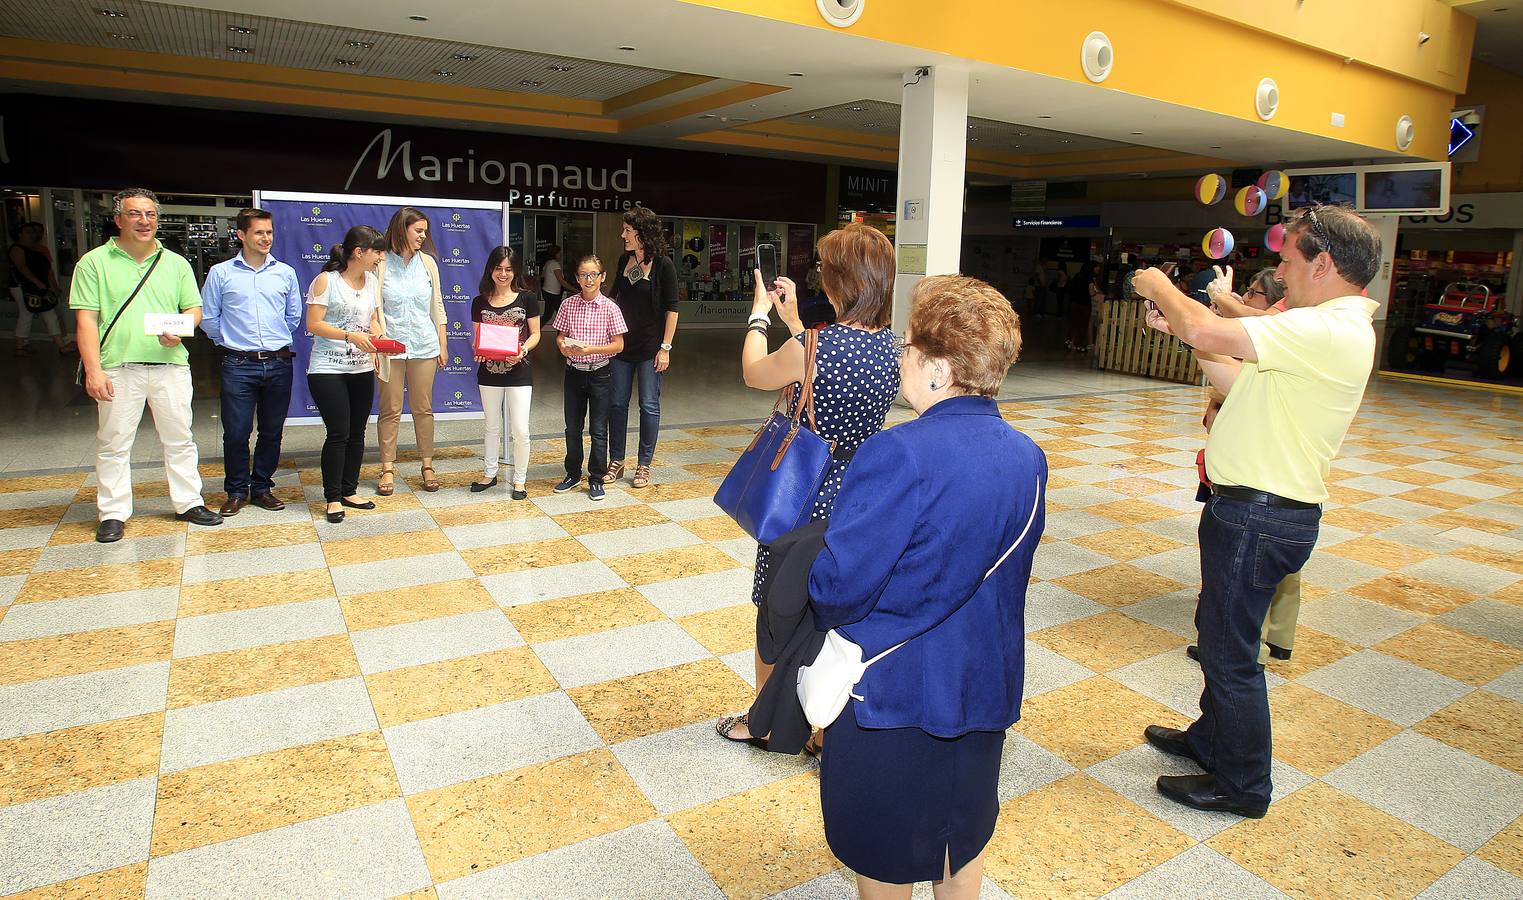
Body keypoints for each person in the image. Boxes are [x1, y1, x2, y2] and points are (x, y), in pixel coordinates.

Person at [1132, 204, 1384, 819]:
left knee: (1228, 652)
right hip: (1255, 509)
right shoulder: (1325, 328)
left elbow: (1212, 333)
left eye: (1287, 259)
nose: (1280, 270)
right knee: (1219, 631)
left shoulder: (1328, 329)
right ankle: (1211, 739)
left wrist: (1159, 282)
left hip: (1261, 515)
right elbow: (1237, 379)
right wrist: (1179, 331)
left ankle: (1243, 784)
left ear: (1323, 264)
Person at [809, 275, 1044, 900]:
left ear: (938, 369)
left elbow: (838, 586)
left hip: (892, 695)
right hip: (982, 682)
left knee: (885, 852)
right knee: (956, 836)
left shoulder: (897, 454)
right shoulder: (1027, 455)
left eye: (909, 348)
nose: (902, 360)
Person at [715, 223, 901, 749]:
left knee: (777, 606)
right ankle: (821, 728)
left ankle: (764, 721)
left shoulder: (816, 347)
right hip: (857, 496)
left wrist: (758, 313)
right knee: (830, 611)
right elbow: (818, 362)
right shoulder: (889, 347)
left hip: (803, 497)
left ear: (840, 280)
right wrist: (795, 321)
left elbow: (755, 372)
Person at [70, 188, 222, 543]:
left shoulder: (175, 262)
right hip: (117, 367)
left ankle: (188, 502)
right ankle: (112, 512)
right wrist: (93, 370)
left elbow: (193, 309)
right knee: (113, 442)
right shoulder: (93, 263)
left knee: (180, 438)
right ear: (119, 219)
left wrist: (182, 330)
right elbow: (86, 322)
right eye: (136, 214)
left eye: (151, 215)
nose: (144, 221)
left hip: (169, 365)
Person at [199, 208, 303, 516]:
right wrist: (230, 342)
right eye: (259, 232)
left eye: (269, 232)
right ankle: (235, 490)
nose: (266, 238)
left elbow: (293, 316)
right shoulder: (221, 273)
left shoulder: (284, 273)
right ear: (241, 235)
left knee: (271, 431)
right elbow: (209, 318)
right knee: (236, 432)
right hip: (238, 364)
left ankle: (261, 487)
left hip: (279, 362)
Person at [305, 225, 386, 524]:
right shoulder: (327, 281)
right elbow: (314, 324)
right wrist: (351, 336)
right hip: (328, 368)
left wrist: (378, 339)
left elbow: (374, 319)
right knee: (338, 433)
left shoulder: (373, 281)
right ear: (358, 252)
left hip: (361, 368)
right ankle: (333, 497)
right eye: (376, 251)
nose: (380, 257)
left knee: (357, 432)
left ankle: (350, 490)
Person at [375, 207, 446, 496]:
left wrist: (442, 343)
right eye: (418, 230)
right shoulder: (380, 263)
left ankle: (427, 465)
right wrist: (377, 341)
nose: (423, 235)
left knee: (423, 408)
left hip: (423, 345)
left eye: (425, 231)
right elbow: (373, 306)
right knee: (390, 409)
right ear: (402, 229)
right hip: (390, 348)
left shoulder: (428, 263)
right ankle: (387, 467)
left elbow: (438, 305)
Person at [606, 207, 679, 489]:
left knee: (649, 405)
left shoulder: (663, 265)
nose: (622, 234)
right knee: (617, 404)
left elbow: (672, 309)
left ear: (642, 233)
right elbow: (613, 297)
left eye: (627, 230)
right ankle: (617, 459)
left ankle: (644, 464)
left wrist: (666, 348)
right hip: (622, 346)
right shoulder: (625, 259)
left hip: (651, 348)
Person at [551, 255, 626, 501]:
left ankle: (596, 477)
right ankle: (572, 474)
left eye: (593, 274)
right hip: (573, 373)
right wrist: (563, 347)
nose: (588, 279)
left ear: (602, 277)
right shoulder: (568, 304)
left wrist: (591, 349)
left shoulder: (610, 307)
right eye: (583, 275)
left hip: (600, 374)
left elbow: (619, 345)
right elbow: (560, 336)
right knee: (572, 428)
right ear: (577, 278)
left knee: (598, 429)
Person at [471, 247, 541, 500]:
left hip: (519, 372)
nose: (503, 274)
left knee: (520, 430)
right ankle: (489, 474)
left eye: (508, 269)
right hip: (488, 372)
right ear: (491, 270)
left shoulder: (527, 299)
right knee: (491, 427)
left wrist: (522, 349)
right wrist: (478, 350)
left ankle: (519, 480)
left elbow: (536, 335)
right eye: (498, 269)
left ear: (516, 271)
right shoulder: (479, 301)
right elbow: (477, 337)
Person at [9, 221, 72, 356]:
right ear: (20, 234)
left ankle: (60, 345)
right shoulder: (17, 249)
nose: (32, 235)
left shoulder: (37, 249)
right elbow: (22, 268)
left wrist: (50, 285)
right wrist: (37, 282)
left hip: (39, 286)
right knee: (28, 313)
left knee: (47, 313)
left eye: (34, 232)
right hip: (24, 286)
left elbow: (47, 269)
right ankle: (21, 345)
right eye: (29, 232)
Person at [1064, 260, 1102, 351]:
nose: (1099, 269)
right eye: (1097, 267)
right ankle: (1079, 345)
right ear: (1092, 268)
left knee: (1074, 323)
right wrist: (1097, 292)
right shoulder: (1090, 278)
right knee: (1083, 325)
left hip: (1074, 302)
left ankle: (1069, 341)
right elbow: (1091, 292)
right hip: (1085, 304)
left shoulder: (1078, 275)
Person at [538, 244, 564, 320]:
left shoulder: (548, 263)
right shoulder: (555, 265)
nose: (560, 255)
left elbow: (542, 275)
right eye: (559, 253)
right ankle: (534, 329)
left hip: (547, 291)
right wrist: (573, 289)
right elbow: (561, 281)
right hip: (552, 292)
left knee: (552, 313)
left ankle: (561, 331)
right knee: (549, 314)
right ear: (555, 254)